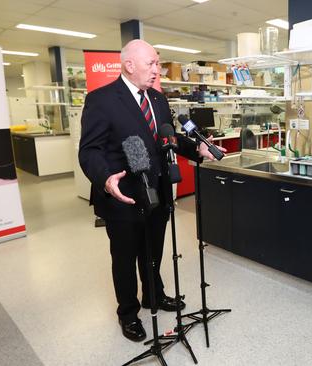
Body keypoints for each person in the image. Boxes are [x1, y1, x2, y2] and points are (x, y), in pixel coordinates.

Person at [78, 39, 225, 342]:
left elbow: (168, 139)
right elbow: (89, 150)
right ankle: (128, 313)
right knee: (124, 256)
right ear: (129, 65)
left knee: (153, 250)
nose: (157, 71)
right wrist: (105, 178)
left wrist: (199, 148)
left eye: (158, 63)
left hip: (156, 191)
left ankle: (153, 295)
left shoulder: (157, 99)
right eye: (152, 64)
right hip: (123, 194)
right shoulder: (101, 99)